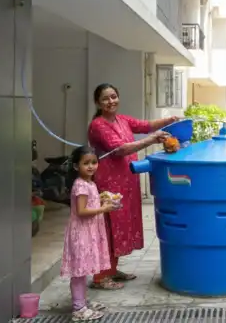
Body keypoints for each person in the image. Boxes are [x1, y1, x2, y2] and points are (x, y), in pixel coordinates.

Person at [87, 83, 177, 290]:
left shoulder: (122, 120)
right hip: (108, 184)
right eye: (105, 99)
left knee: (120, 226)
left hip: (126, 181)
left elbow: (145, 125)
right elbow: (120, 149)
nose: (111, 101)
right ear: (97, 103)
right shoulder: (99, 125)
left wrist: (170, 120)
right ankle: (100, 277)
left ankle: (111, 270)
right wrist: (152, 140)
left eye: (114, 96)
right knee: (109, 227)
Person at [60, 146, 116, 321]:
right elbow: (82, 211)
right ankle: (79, 309)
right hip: (81, 233)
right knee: (79, 271)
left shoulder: (90, 183)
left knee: (83, 269)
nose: (91, 166)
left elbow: (89, 203)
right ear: (76, 166)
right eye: (86, 163)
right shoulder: (81, 185)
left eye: (94, 162)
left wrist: (102, 199)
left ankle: (82, 302)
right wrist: (103, 208)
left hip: (88, 231)